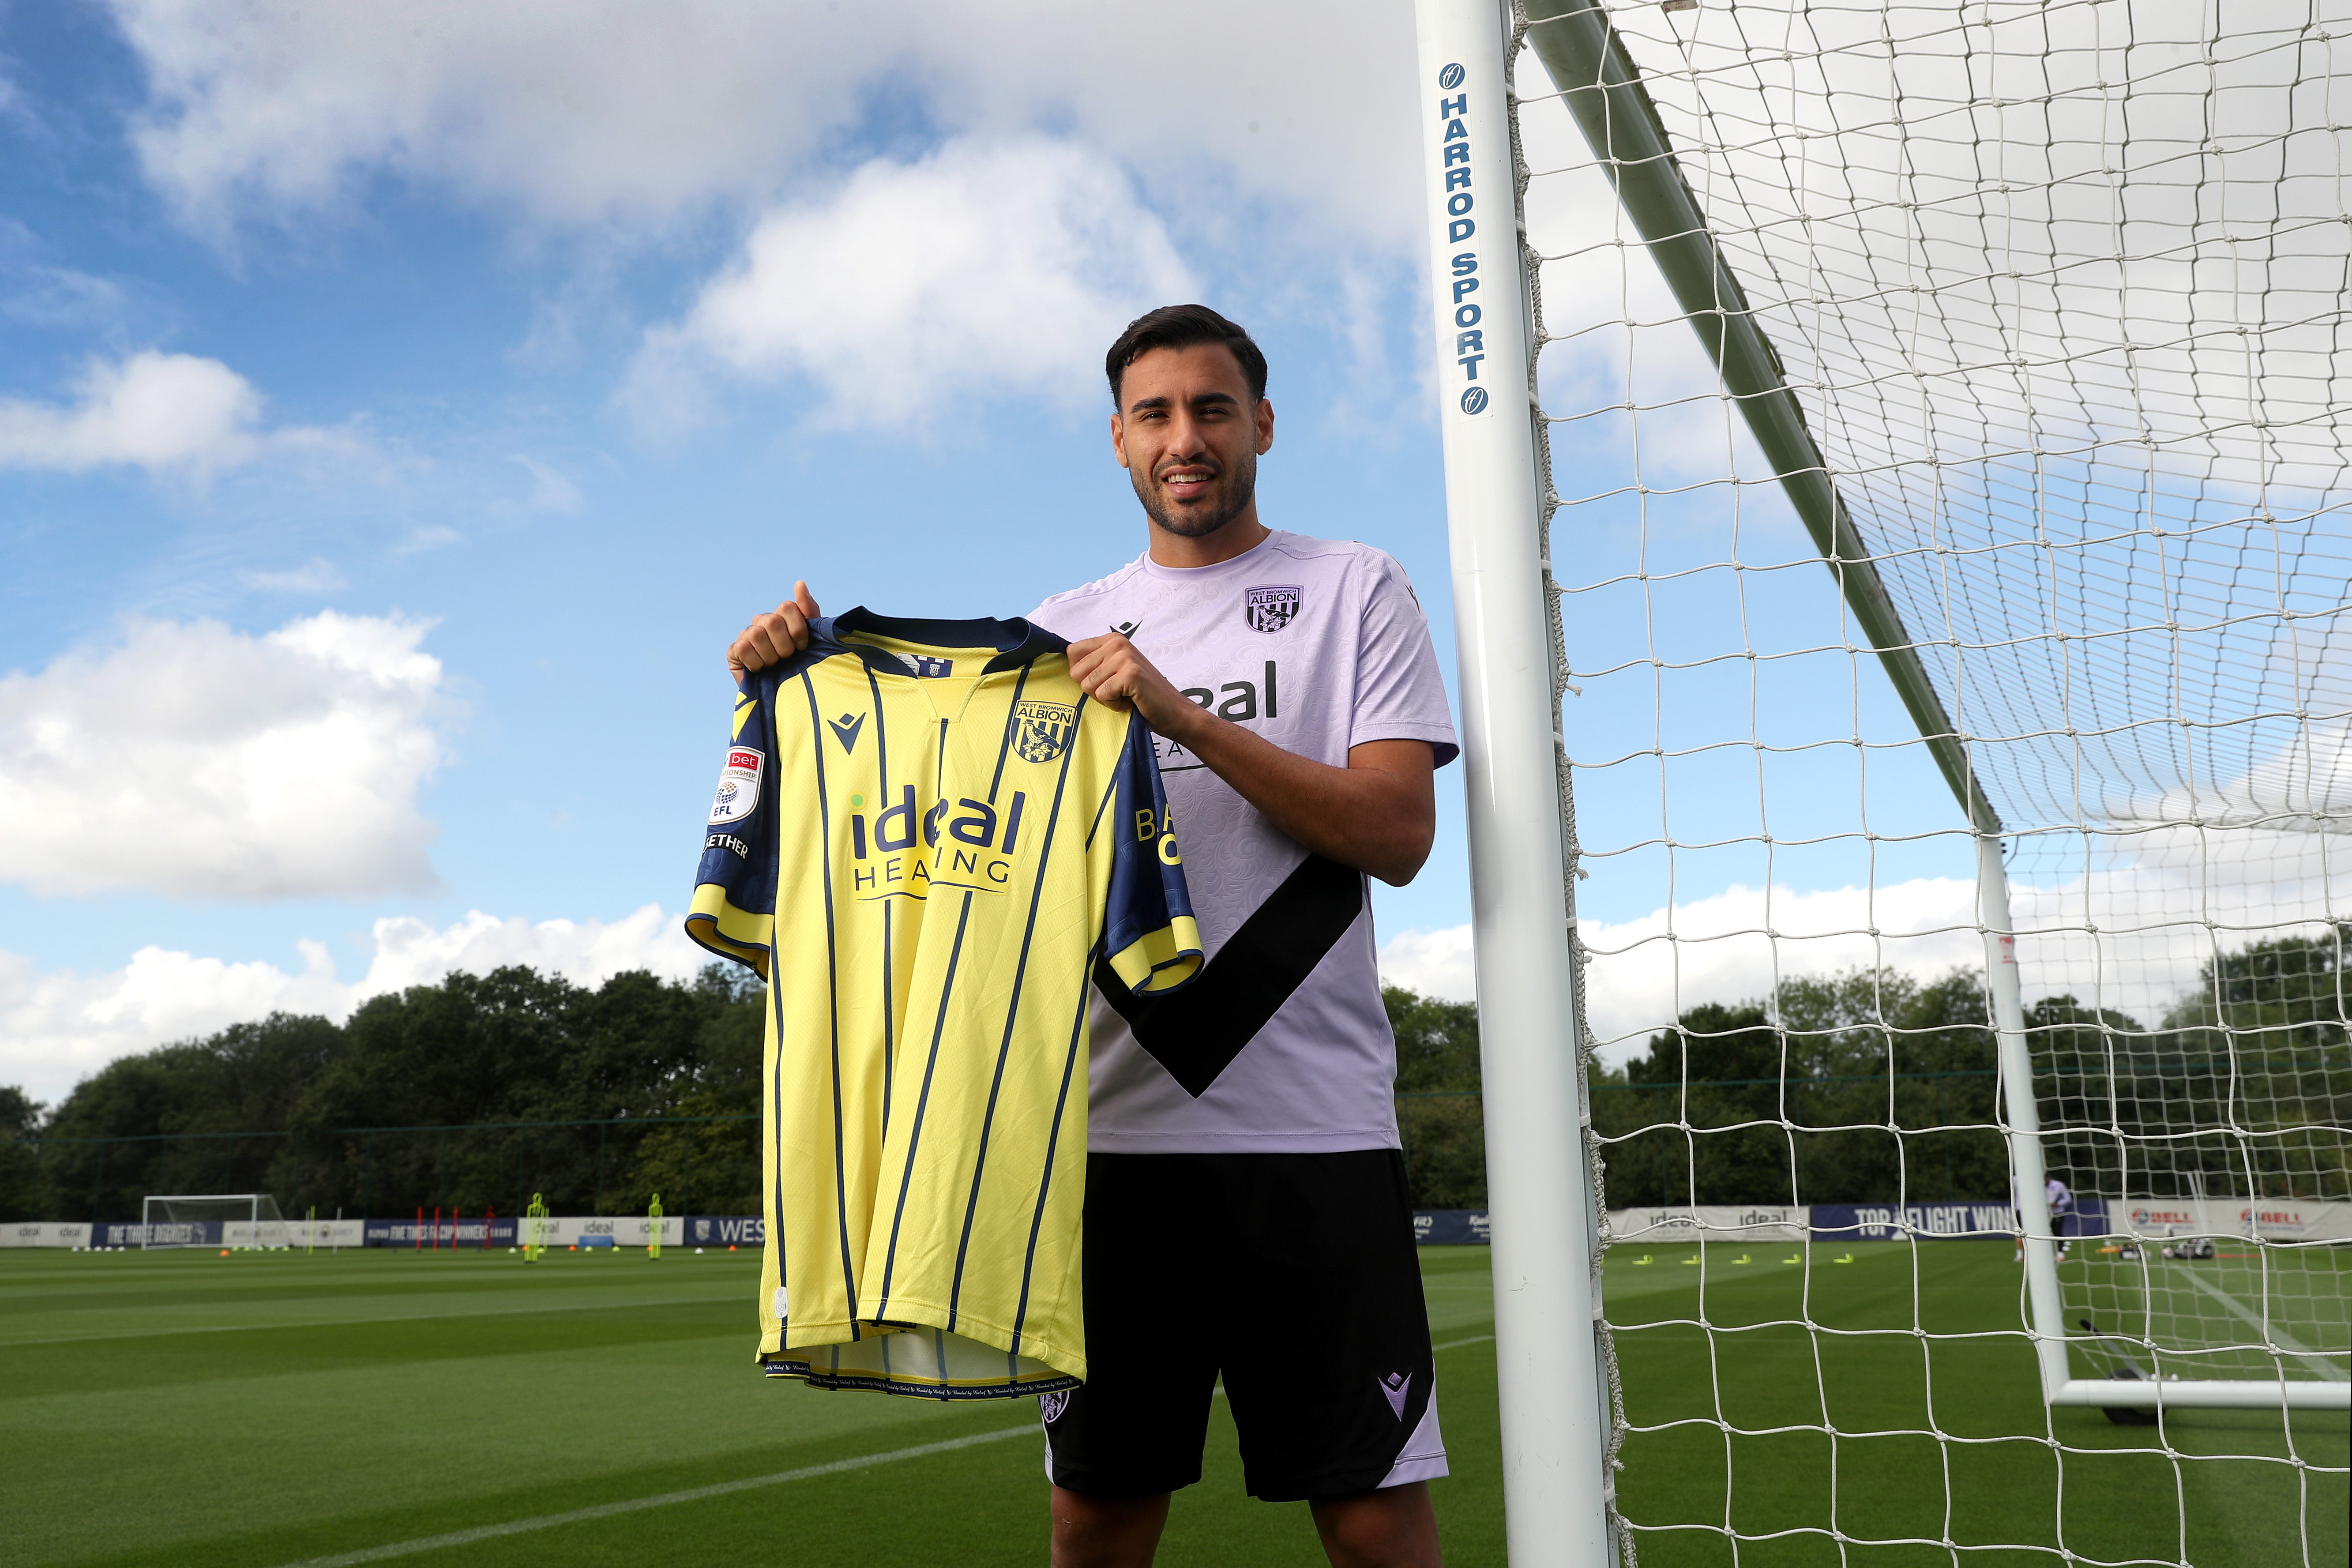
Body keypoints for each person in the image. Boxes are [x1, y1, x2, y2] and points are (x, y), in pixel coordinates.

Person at [727, 304, 1458, 1568]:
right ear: (1117, 441)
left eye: (1213, 408)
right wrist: (783, 677)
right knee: (1097, 1518)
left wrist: (1180, 714)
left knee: (1372, 1516)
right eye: (1157, 414)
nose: (1187, 437)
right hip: (1108, 1144)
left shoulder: (1354, 585)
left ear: (1261, 426)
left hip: (1316, 1130)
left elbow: (1395, 831)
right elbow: (950, 847)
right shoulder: (1056, 633)